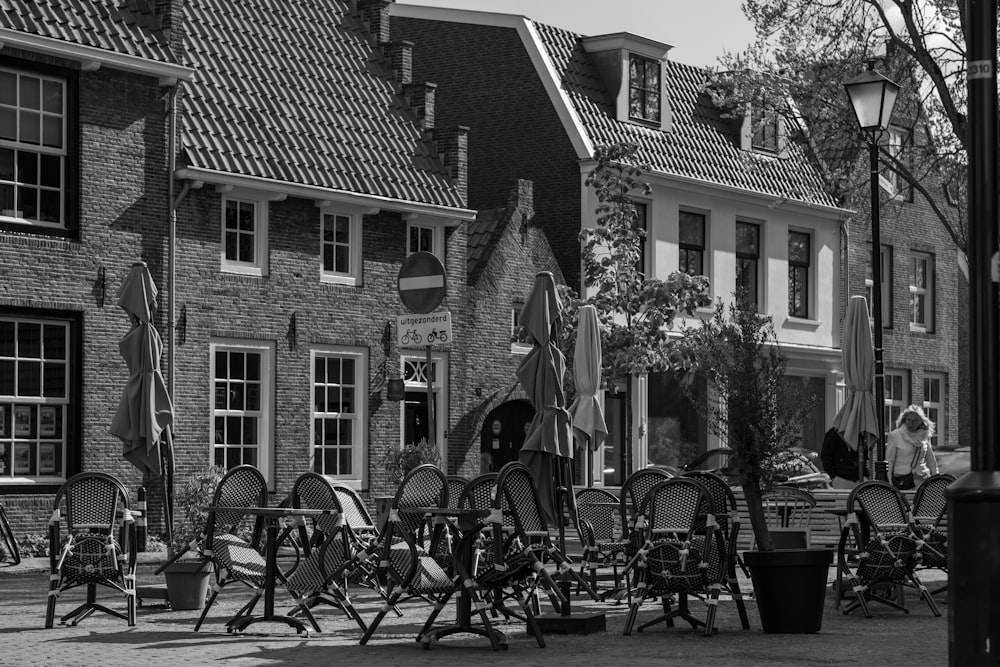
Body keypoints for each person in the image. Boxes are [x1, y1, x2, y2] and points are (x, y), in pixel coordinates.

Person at [885, 404, 939, 490]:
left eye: (915, 421)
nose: (911, 424)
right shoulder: (895, 436)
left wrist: (936, 481)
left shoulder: (923, 435)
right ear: (904, 420)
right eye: (908, 420)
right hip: (902, 482)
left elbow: (931, 461)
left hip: (921, 481)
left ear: (920, 422)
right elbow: (889, 462)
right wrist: (889, 484)